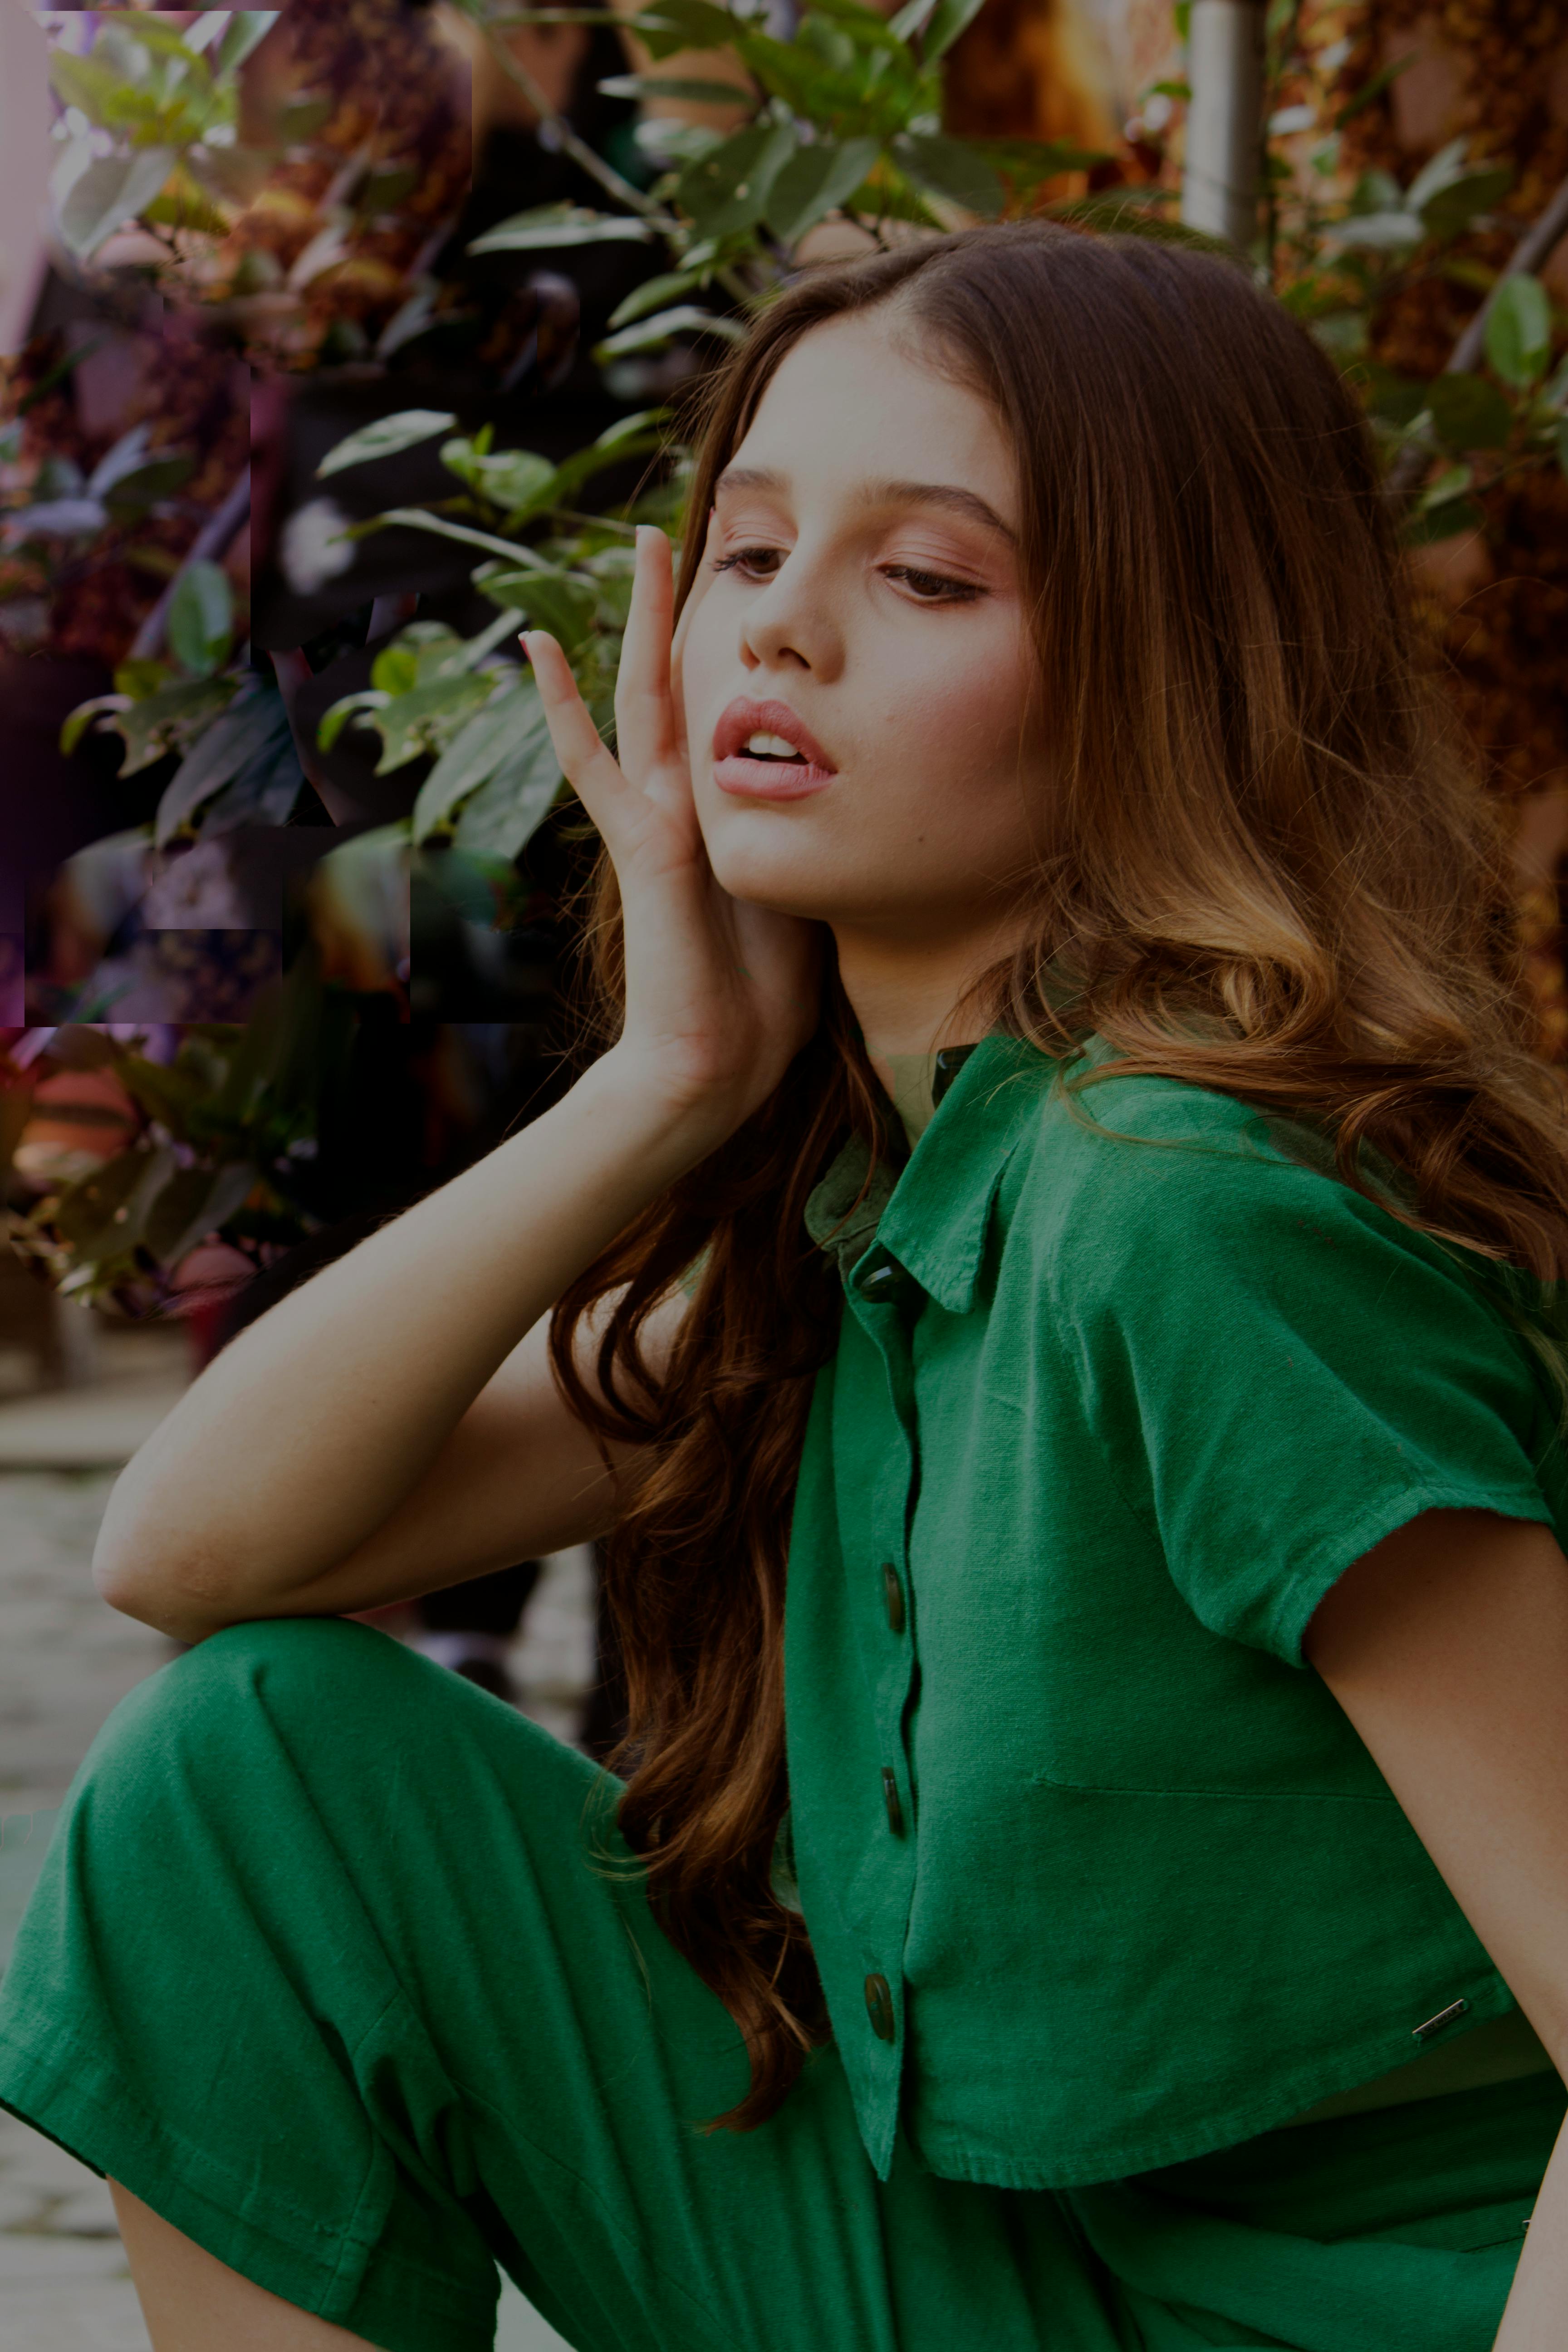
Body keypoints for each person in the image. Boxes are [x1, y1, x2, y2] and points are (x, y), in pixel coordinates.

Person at [2, 220, 1568, 2352]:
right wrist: (671, 1078)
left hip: (1354, 2318)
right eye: (744, 555)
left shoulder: (1184, 1215)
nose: (786, 636)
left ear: (1168, 661)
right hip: (1005, 2275)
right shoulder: (896, 1202)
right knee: (251, 1784)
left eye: (922, 577)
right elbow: (193, 1555)